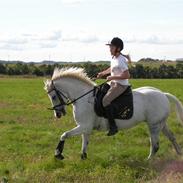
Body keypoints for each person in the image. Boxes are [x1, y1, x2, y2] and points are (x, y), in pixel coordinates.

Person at [97, 37, 131, 136]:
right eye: (110, 47)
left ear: (118, 48)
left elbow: (127, 75)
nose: (110, 49)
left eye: (112, 47)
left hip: (121, 85)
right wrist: (102, 73)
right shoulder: (114, 58)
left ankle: (113, 126)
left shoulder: (121, 60)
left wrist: (112, 77)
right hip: (112, 83)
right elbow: (111, 68)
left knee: (105, 101)